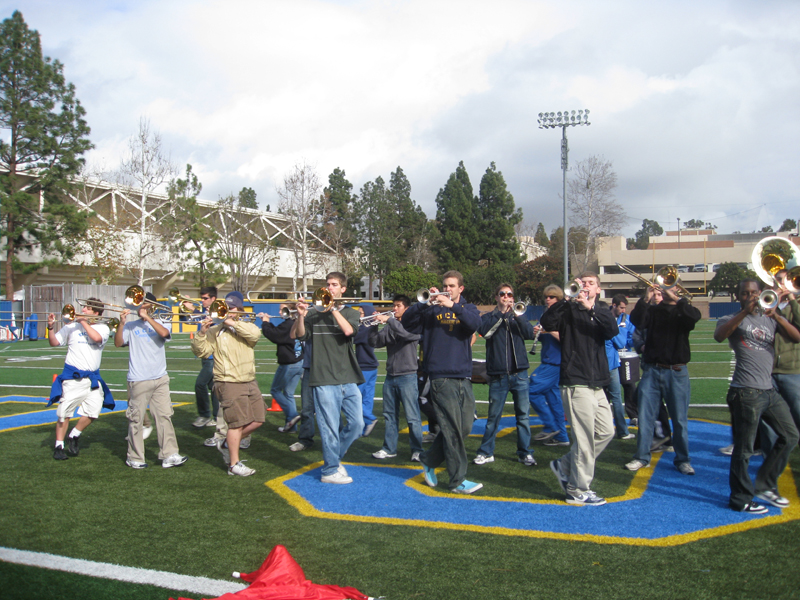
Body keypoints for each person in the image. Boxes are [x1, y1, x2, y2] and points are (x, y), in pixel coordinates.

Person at [714, 279, 800, 513]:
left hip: (768, 391)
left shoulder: (769, 319)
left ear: (762, 293)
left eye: (754, 293)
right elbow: (720, 336)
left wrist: (777, 316)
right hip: (745, 392)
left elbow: (796, 337)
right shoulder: (731, 318)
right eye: (745, 293)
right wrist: (744, 313)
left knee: (791, 435)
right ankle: (740, 499)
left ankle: (764, 483)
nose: (751, 296)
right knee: (744, 449)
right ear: (739, 296)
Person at [540, 272, 618, 506]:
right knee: (584, 441)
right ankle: (577, 489)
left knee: (606, 432)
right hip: (575, 381)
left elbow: (611, 330)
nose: (585, 287)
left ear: (598, 289)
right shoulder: (568, 309)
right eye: (582, 283)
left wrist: (590, 309)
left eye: (590, 284)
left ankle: (564, 465)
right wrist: (566, 300)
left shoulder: (602, 310)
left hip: (598, 382)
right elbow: (547, 322)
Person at [401, 271, 483, 494]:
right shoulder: (431, 310)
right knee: (454, 430)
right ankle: (457, 480)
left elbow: (475, 324)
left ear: (461, 289)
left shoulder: (468, 308)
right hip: (439, 375)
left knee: (464, 426)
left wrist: (453, 306)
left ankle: (429, 459)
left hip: (463, 375)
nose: (448, 289)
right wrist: (424, 303)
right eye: (445, 285)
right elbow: (407, 323)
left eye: (452, 286)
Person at [290, 272, 364, 484]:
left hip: (348, 378)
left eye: (334, 285)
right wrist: (302, 315)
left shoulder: (350, 312)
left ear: (343, 289)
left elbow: (349, 331)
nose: (330, 288)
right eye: (328, 285)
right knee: (329, 427)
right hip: (322, 379)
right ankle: (330, 470)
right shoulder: (313, 313)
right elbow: (299, 335)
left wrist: (331, 309)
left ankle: (334, 459)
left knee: (357, 424)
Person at [626, 283, 701, 475]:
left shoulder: (683, 310)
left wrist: (677, 299)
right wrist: (646, 298)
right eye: (661, 289)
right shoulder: (653, 311)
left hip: (677, 372)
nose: (663, 292)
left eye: (670, 288)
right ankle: (641, 457)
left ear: (677, 291)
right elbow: (637, 320)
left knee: (679, 419)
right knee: (645, 417)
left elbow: (694, 317)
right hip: (652, 371)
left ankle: (683, 459)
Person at [191, 291, 264, 476]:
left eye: (232, 309)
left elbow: (254, 336)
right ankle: (233, 464)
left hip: (249, 378)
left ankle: (226, 442)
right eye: (226, 308)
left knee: (258, 419)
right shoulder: (215, 331)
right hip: (228, 381)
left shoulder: (246, 325)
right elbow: (202, 352)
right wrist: (201, 333)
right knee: (236, 424)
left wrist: (231, 322)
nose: (228, 312)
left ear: (239, 310)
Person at [115, 292, 187, 469]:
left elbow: (164, 334)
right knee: (136, 419)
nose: (143, 307)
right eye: (141, 304)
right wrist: (121, 323)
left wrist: (147, 318)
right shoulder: (131, 326)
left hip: (160, 378)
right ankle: (135, 457)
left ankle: (169, 454)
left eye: (146, 305)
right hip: (139, 379)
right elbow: (118, 343)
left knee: (164, 416)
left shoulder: (162, 321)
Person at [474, 283, 536, 466]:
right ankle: (486, 452)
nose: (506, 297)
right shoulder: (488, 317)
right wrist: (501, 316)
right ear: (496, 297)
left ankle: (525, 452)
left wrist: (518, 316)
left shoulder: (518, 316)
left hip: (520, 374)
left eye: (510, 294)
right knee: (493, 417)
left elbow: (529, 334)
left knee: (523, 416)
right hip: (498, 375)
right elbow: (484, 332)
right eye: (503, 294)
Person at [47, 298, 114, 460]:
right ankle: (59, 446)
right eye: (83, 308)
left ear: (96, 313)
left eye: (87, 309)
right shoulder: (71, 326)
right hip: (72, 377)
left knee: (94, 411)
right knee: (65, 413)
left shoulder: (103, 328)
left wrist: (83, 322)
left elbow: (96, 338)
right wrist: (50, 327)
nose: (82, 310)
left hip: (92, 378)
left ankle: (75, 434)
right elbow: (54, 342)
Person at [368, 295, 424, 461]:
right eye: (394, 306)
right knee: (389, 415)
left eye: (398, 306)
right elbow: (375, 342)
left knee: (412, 416)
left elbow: (406, 335)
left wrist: (389, 321)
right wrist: (373, 326)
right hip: (390, 376)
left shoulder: (414, 325)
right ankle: (389, 448)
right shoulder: (390, 325)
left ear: (406, 309)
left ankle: (417, 450)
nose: (394, 309)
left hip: (408, 376)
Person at [528, 285, 569, 447]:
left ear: (558, 299)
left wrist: (550, 330)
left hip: (555, 362)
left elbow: (567, 339)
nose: (548, 299)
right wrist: (536, 331)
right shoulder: (546, 315)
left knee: (531, 390)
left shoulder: (563, 315)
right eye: (546, 297)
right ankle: (562, 437)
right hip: (549, 360)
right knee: (554, 400)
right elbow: (539, 333)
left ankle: (550, 426)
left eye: (551, 297)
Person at [258, 305, 304, 434]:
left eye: (282, 309)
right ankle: (291, 426)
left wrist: (266, 323)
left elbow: (274, 336)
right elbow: (278, 333)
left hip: (289, 363)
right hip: (298, 362)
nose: (279, 312)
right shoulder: (294, 323)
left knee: (275, 390)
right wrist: (267, 322)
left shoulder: (289, 323)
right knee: (288, 393)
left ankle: (293, 415)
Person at [188, 286, 219, 429]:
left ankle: (204, 415)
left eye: (205, 298)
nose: (202, 301)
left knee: (200, 384)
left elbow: (215, 323)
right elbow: (191, 321)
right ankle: (217, 416)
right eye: (201, 298)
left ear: (213, 299)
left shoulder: (218, 311)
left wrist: (193, 310)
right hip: (206, 355)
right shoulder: (204, 311)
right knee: (212, 387)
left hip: (213, 356)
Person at [607, 294, 634, 440]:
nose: (623, 310)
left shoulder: (626, 319)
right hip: (609, 363)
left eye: (625, 308)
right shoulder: (606, 317)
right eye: (621, 307)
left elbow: (631, 338)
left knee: (627, 388)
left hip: (619, 359)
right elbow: (620, 341)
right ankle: (621, 431)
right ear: (614, 305)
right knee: (614, 398)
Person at [354, 305, 379, 437]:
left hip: (364, 367)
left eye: (362, 313)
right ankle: (365, 425)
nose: (359, 316)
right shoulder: (370, 327)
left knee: (353, 398)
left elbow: (353, 337)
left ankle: (369, 418)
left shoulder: (365, 329)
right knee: (367, 399)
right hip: (371, 367)